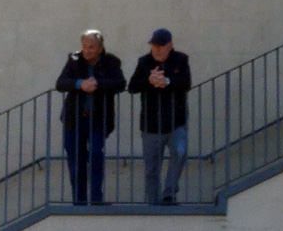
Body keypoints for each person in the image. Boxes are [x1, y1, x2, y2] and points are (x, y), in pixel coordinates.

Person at [56, 29, 126, 205]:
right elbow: (61, 83)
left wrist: (97, 84)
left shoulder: (111, 62)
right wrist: (80, 84)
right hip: (75, 120)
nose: (87, 50)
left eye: (92, 47)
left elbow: (120, 83)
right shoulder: (74, 60)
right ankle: (79, 201)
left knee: (96, 156)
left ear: (100, 47)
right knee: (76, 162)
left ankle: (96, 200)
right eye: (85, 46)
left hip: (98, 119)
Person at [128, 28, 191, 205]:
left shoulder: (181, 59)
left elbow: (186, 83)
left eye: (161, 45)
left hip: (175, 121)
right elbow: (132, 86)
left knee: (180, 152)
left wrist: (167, 81)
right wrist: (150, 81)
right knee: (151, 169)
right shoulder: (144, 62)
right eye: (154, 45)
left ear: (170, 45)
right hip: (151, 124)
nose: (157, 49)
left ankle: (169, 193)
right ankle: (153, 203)